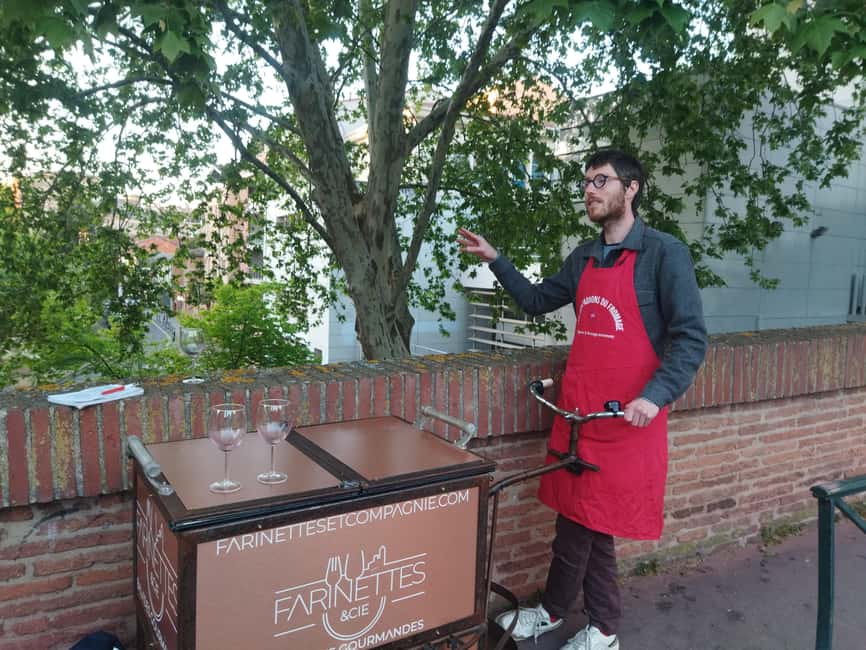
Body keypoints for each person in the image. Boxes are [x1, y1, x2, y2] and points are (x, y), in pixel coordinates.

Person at [458, 148, 707, 650]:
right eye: (586, 182)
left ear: (630, 188)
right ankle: (565, 615)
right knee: (577, 519)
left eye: (601, 180)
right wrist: (496, 260)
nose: (589, 190)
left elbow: (691, 339)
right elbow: (534, 302)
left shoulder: (664, 254)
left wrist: (654, 398)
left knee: (590, 527)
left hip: (627, 421)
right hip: (579, 416)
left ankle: (598, 625)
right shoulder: (585, 257)